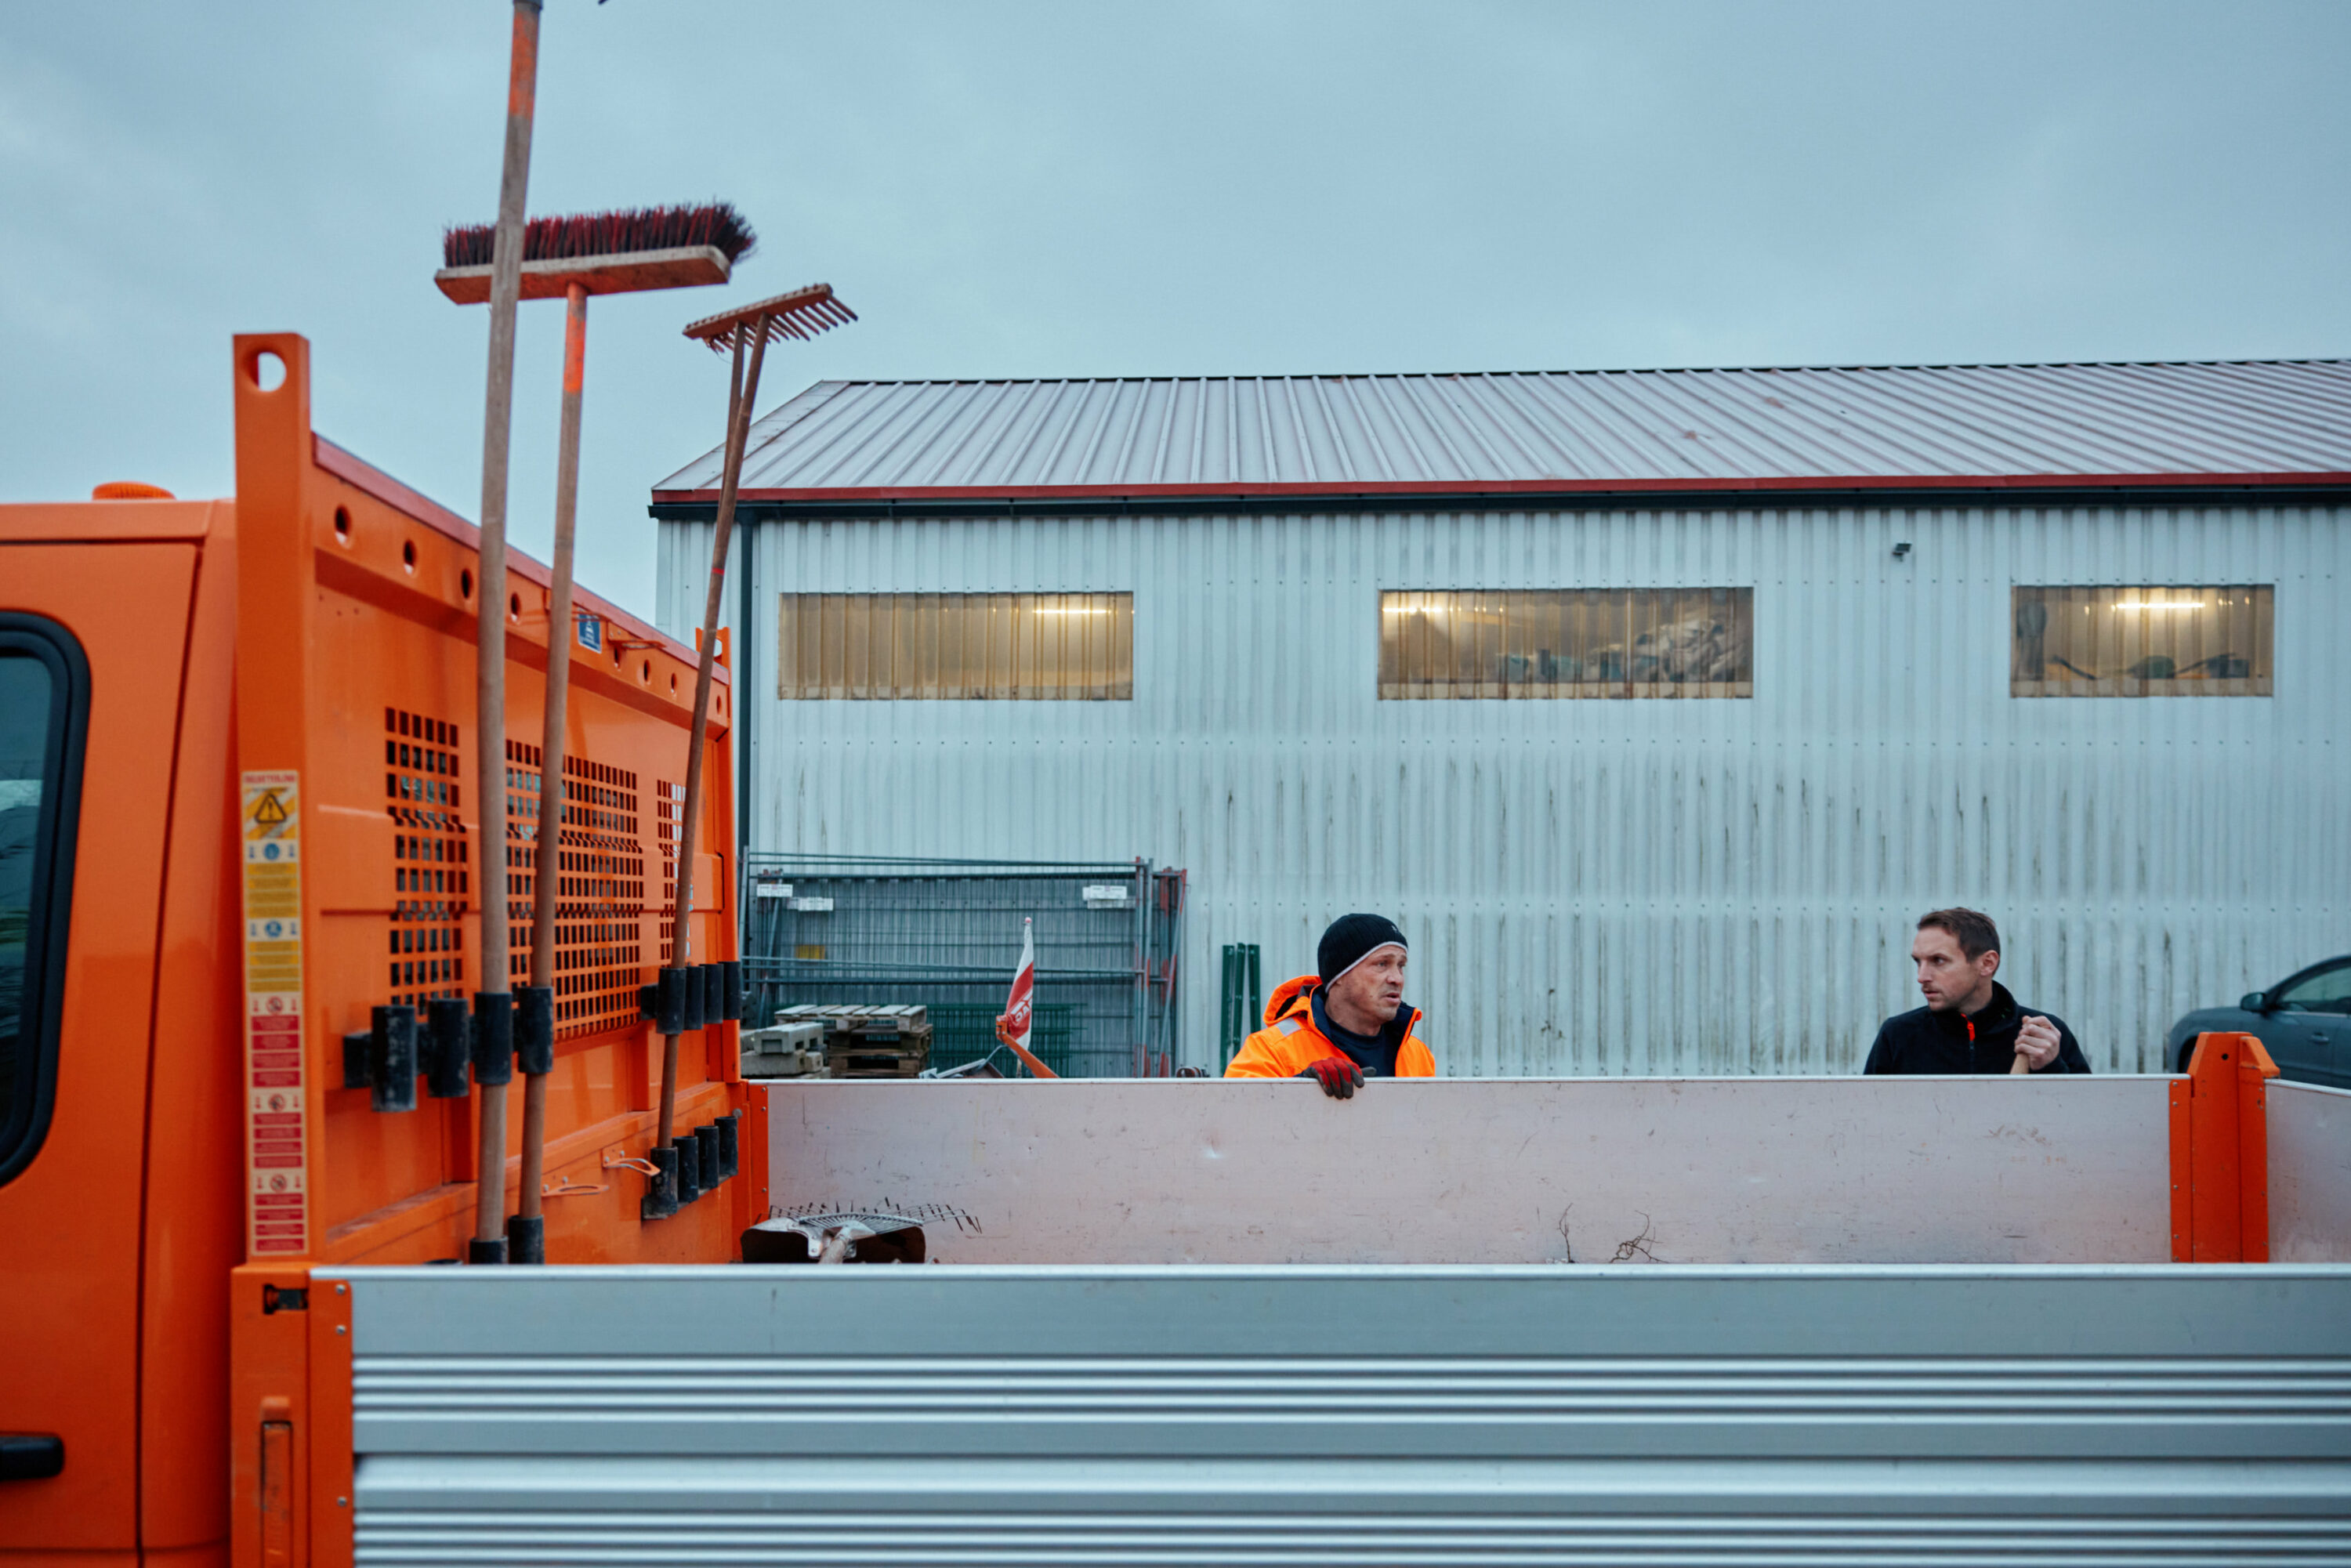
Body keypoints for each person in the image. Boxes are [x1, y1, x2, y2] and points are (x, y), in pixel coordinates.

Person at [1224, 914, 1434, 1096]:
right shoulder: (1273, 1050)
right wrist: (1298, 1089)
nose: (1397, 978)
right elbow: (1234, 1115)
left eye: (1401, 966)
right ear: (1339, 976)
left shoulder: (1416, 1054)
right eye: (1382, 964)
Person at [1864, 907, 2091, 1075]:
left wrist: (2051, 1067)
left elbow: (2089, 1127)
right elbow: (1864, 1122)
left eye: (1938, 961)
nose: (1922, 976)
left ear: (1987, 964)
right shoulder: (1898, 1036)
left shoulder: (2044, 1036)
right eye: (1918, 962)